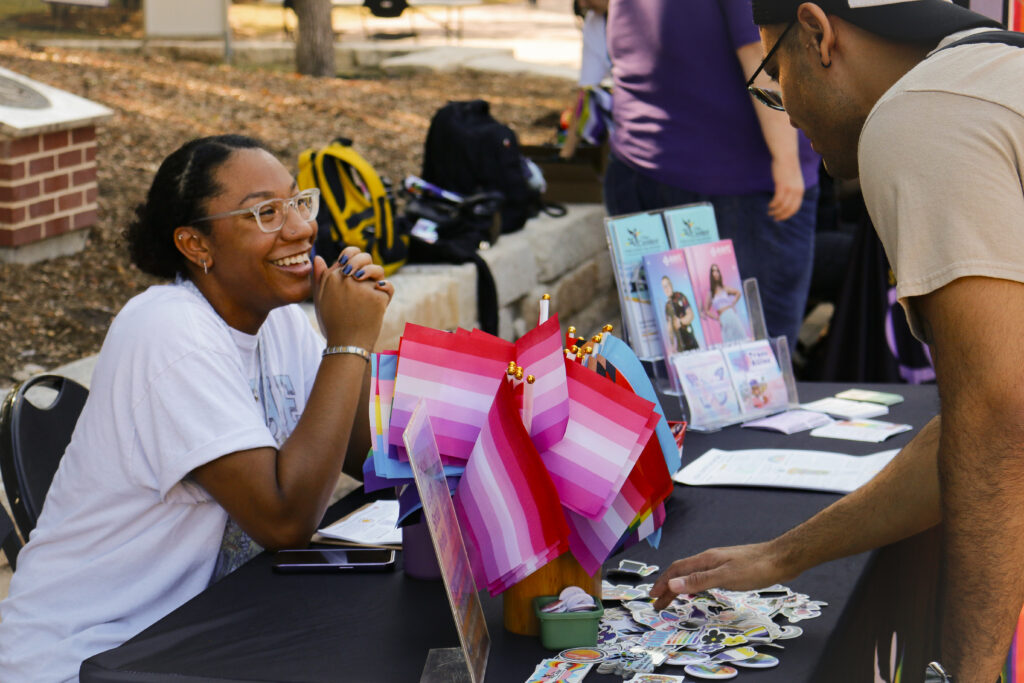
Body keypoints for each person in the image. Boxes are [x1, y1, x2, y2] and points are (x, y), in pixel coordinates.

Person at [649, 2, 1023, 680]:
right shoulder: (987, 71)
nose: (785, 112)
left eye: (774, 73)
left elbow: (999, 419)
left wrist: (969, 671)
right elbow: (975, 427)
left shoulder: (919, 115)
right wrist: (783, 555)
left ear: (819, 34)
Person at [0, 134, 395, 681]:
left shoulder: (276, 319)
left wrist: (351, 342)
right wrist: (347, 344)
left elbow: (372, 456)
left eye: (299, 203)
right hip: (88, 654)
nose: (302, 228)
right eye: (265, 212)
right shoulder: (167, 331)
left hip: (194, 635)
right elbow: (284, 520)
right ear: (195, 244)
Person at [603, 0, 821, 349]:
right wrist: (787, 158)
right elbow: (763, 54)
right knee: (755, 368)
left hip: (639, 159)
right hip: (738, 182)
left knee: (662, 360)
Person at [703, 263, 746, 343]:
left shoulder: (724, 288)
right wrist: (717, 318)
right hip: (722, 317)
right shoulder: (710, 293)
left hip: (731, 314)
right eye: (713, 271)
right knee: (728, 339)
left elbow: (738, 293)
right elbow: (707, 310)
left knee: (740, 336)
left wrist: (733, 303)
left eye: (717, 271)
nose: (716, 273)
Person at [661, 275, 700, 352]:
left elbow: (691, 315)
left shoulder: (680, 296)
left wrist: (680, 321)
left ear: (671, 285)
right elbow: (669, 329)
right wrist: (672, 346)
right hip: (679, 347)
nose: (666, 289)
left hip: (690, 342)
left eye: (667, 285)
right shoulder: (667, 306)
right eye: (664, 287)